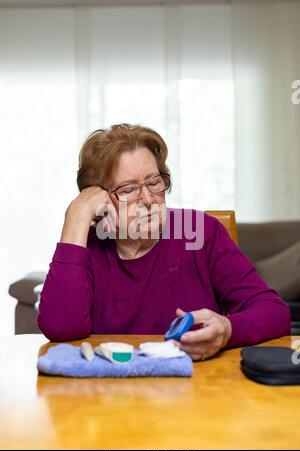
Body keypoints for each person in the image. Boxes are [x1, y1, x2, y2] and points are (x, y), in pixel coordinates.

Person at [37, 123, 291, 361]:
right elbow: (61, 328)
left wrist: (228, 328)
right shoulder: (86, 249)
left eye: (154, 181)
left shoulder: (200, 232)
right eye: (128, 190)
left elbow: (275, 312)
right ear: (99, 202)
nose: (148, 199)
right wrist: (76, 216)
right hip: (109, 395)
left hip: (197, 390)